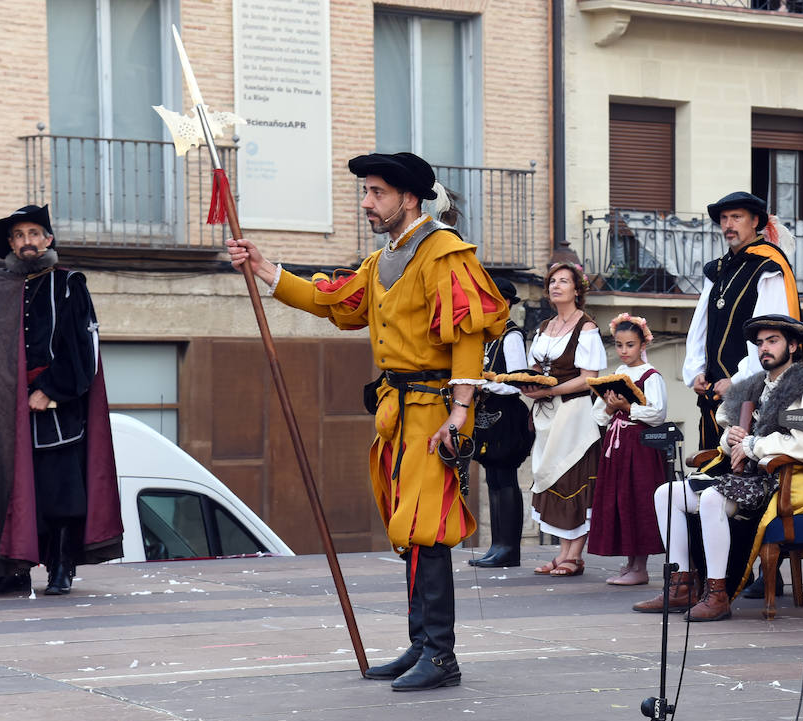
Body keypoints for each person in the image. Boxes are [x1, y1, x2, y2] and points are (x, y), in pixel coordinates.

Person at [226, 152, 509, 691]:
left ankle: (442, 655)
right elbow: (336, 300)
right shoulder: (382, 262)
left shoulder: (445, 253)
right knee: (406, 526)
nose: (366, 203)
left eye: (376, 193)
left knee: (426, 525)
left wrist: (460, 413)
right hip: (397, 411)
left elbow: (469, 335)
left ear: (409, 198)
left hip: (436, 409)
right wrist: (264, 268)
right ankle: (421, 644)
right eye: (366, 192)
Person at [633, 314, 803, 622]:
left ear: (794, 345)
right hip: (741, 477)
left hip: (782, 481)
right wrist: (732, 436)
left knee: (710, 499)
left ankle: (717, 594)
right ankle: (682, 585)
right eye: (760, 343)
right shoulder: (752, 388)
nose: (764, 349)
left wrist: (753, 445)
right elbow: (733, 433)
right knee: (667, 494)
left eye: (772, 341)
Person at [0, 205, 123, 597]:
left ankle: (61, 568)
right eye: (18, 236)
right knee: (9, 490)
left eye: (34, 233)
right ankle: (14, 571)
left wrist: (49, 390)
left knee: (58, 494)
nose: (26, 242)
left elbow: (83, 349)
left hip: (57, 410)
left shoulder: (68, 284)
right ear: (11, 245)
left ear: (48, 239)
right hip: (6, 410)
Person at [684, 192, 801, 450]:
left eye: (736, 217)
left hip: (752, 396)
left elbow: (771, 335)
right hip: (713, 392)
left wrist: (738, 381)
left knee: (740, 467)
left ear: (755, 221)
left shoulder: (768, 266)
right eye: (724, 218)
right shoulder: (716, 270)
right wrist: (696, 372)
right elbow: (700, 325)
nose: (728, 224)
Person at [523, 262, 606, 577]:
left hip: (574, 414)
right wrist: (529, 386)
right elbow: (535, 370)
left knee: (574, 478)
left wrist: (551, 390)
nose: (556, 286)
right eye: (552, 281)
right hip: (547, 413)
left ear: (577, 289)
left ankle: (575, 555)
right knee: (551, 477)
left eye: (563, 281)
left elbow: (589, 378)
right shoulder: (544, 327)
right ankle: (562, 553)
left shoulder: (586, 328)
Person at [587, 313, 667, 585]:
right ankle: (630, 562)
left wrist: (627, 407)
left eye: (630, 345)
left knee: (639, 499)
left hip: (640, 447)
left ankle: (641, 566)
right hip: (617, 446)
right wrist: (610, 406)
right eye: (619, 345)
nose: (624, 351)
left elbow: (657, 414)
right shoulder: (618, 375)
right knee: (620, 499)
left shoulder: (651, 376)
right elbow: (599, 416)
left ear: (643, 344)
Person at [469, 277, 534, 568]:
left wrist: (485, 384)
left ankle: (509, 548)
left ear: (505, 303)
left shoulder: (511, 336)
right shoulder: (486, 335)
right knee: (493, 478)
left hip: (507, 413)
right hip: (487, 414)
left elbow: (517, 382)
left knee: (505, 478)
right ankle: (497, 545)